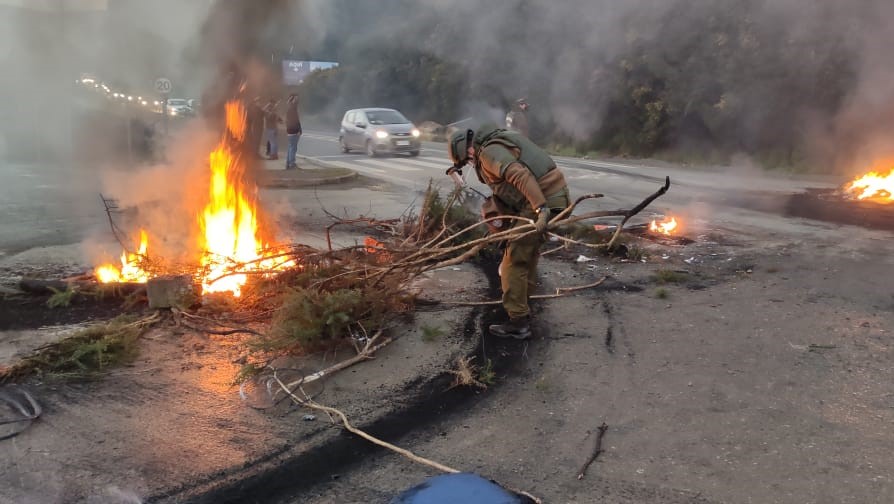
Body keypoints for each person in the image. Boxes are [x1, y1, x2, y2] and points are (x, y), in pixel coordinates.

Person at [448, 125, 570, 339]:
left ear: (467, 151)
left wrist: (541, 209)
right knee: (526, 254)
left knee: (513, 260)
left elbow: (519, 175)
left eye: (467, 161)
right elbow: (510, 193)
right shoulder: (499, 141)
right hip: (554, 198)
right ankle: (523, 307)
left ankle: (518, 323)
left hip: (542, 202)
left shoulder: (488, 153)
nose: (470, 164)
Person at [284, 94, 302, 169]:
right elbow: (296, 121)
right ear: (292, 100)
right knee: (293, 147)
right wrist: (299, 130)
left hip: (290, 130)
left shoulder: (289, 108)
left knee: (290, 147)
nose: (297, 101)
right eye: (295, 99)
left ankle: (288, 163)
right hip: (293, 130)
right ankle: (292, 164)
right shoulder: (292, 109)